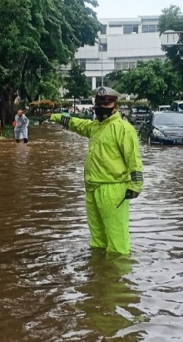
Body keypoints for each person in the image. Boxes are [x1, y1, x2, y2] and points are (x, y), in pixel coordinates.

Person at [50, 87, 143, 255]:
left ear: (116, 106)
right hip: (92, 188)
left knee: (117, 240)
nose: (101, 107)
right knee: (97, 239)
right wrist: (55, 117)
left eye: (106, 103)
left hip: (113, 189)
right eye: (99, 103)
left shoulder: (124, 128)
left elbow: (134, 160)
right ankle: (100, 272)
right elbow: (76, 123)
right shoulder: (95, 126)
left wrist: (136, 185)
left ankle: (117, 276)